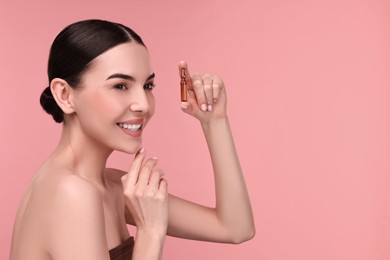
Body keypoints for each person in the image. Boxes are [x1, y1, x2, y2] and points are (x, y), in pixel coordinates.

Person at [10, 19, 255, 260]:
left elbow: (235, 228)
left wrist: (215, 121)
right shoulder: (71, 193)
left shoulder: (112, 186)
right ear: (64, 95)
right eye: (120, 86)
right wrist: (150, 232)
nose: (143, 105)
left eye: (148, 85)